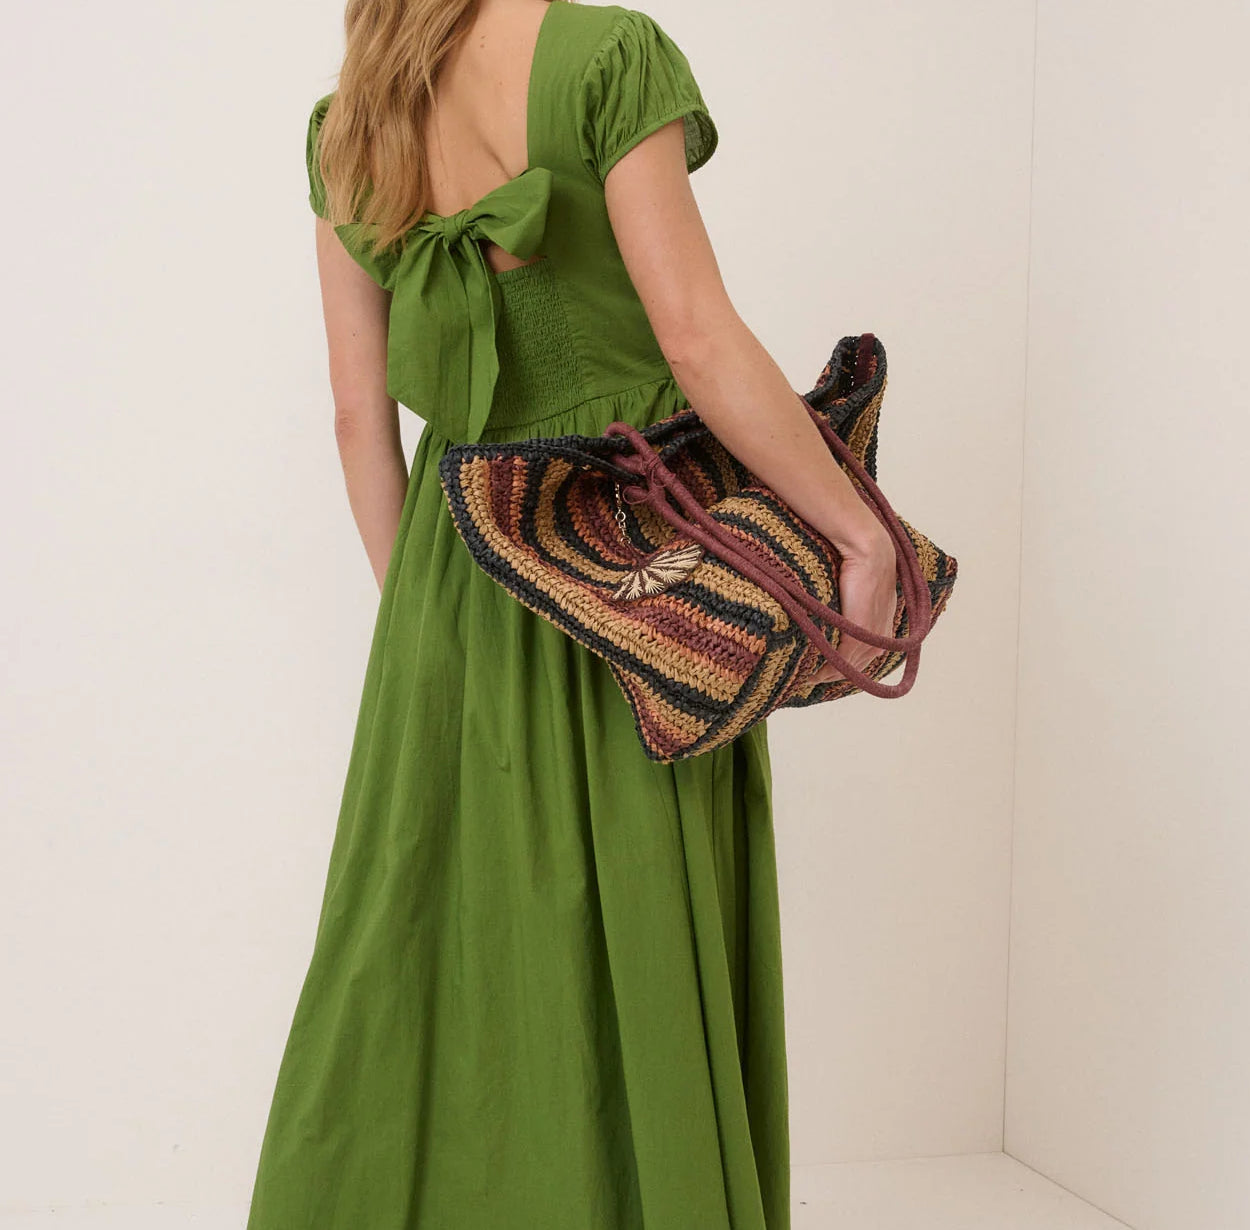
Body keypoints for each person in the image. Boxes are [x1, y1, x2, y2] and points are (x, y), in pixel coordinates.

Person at [246, 1, 898, 1226]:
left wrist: (426, 625)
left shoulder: (347, 124)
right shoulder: (605, 57)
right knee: (648, 910)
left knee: (445, 937)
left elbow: (357, 418)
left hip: (455, 566)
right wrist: (858, 531)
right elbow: (694, 339)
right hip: (636, 556)